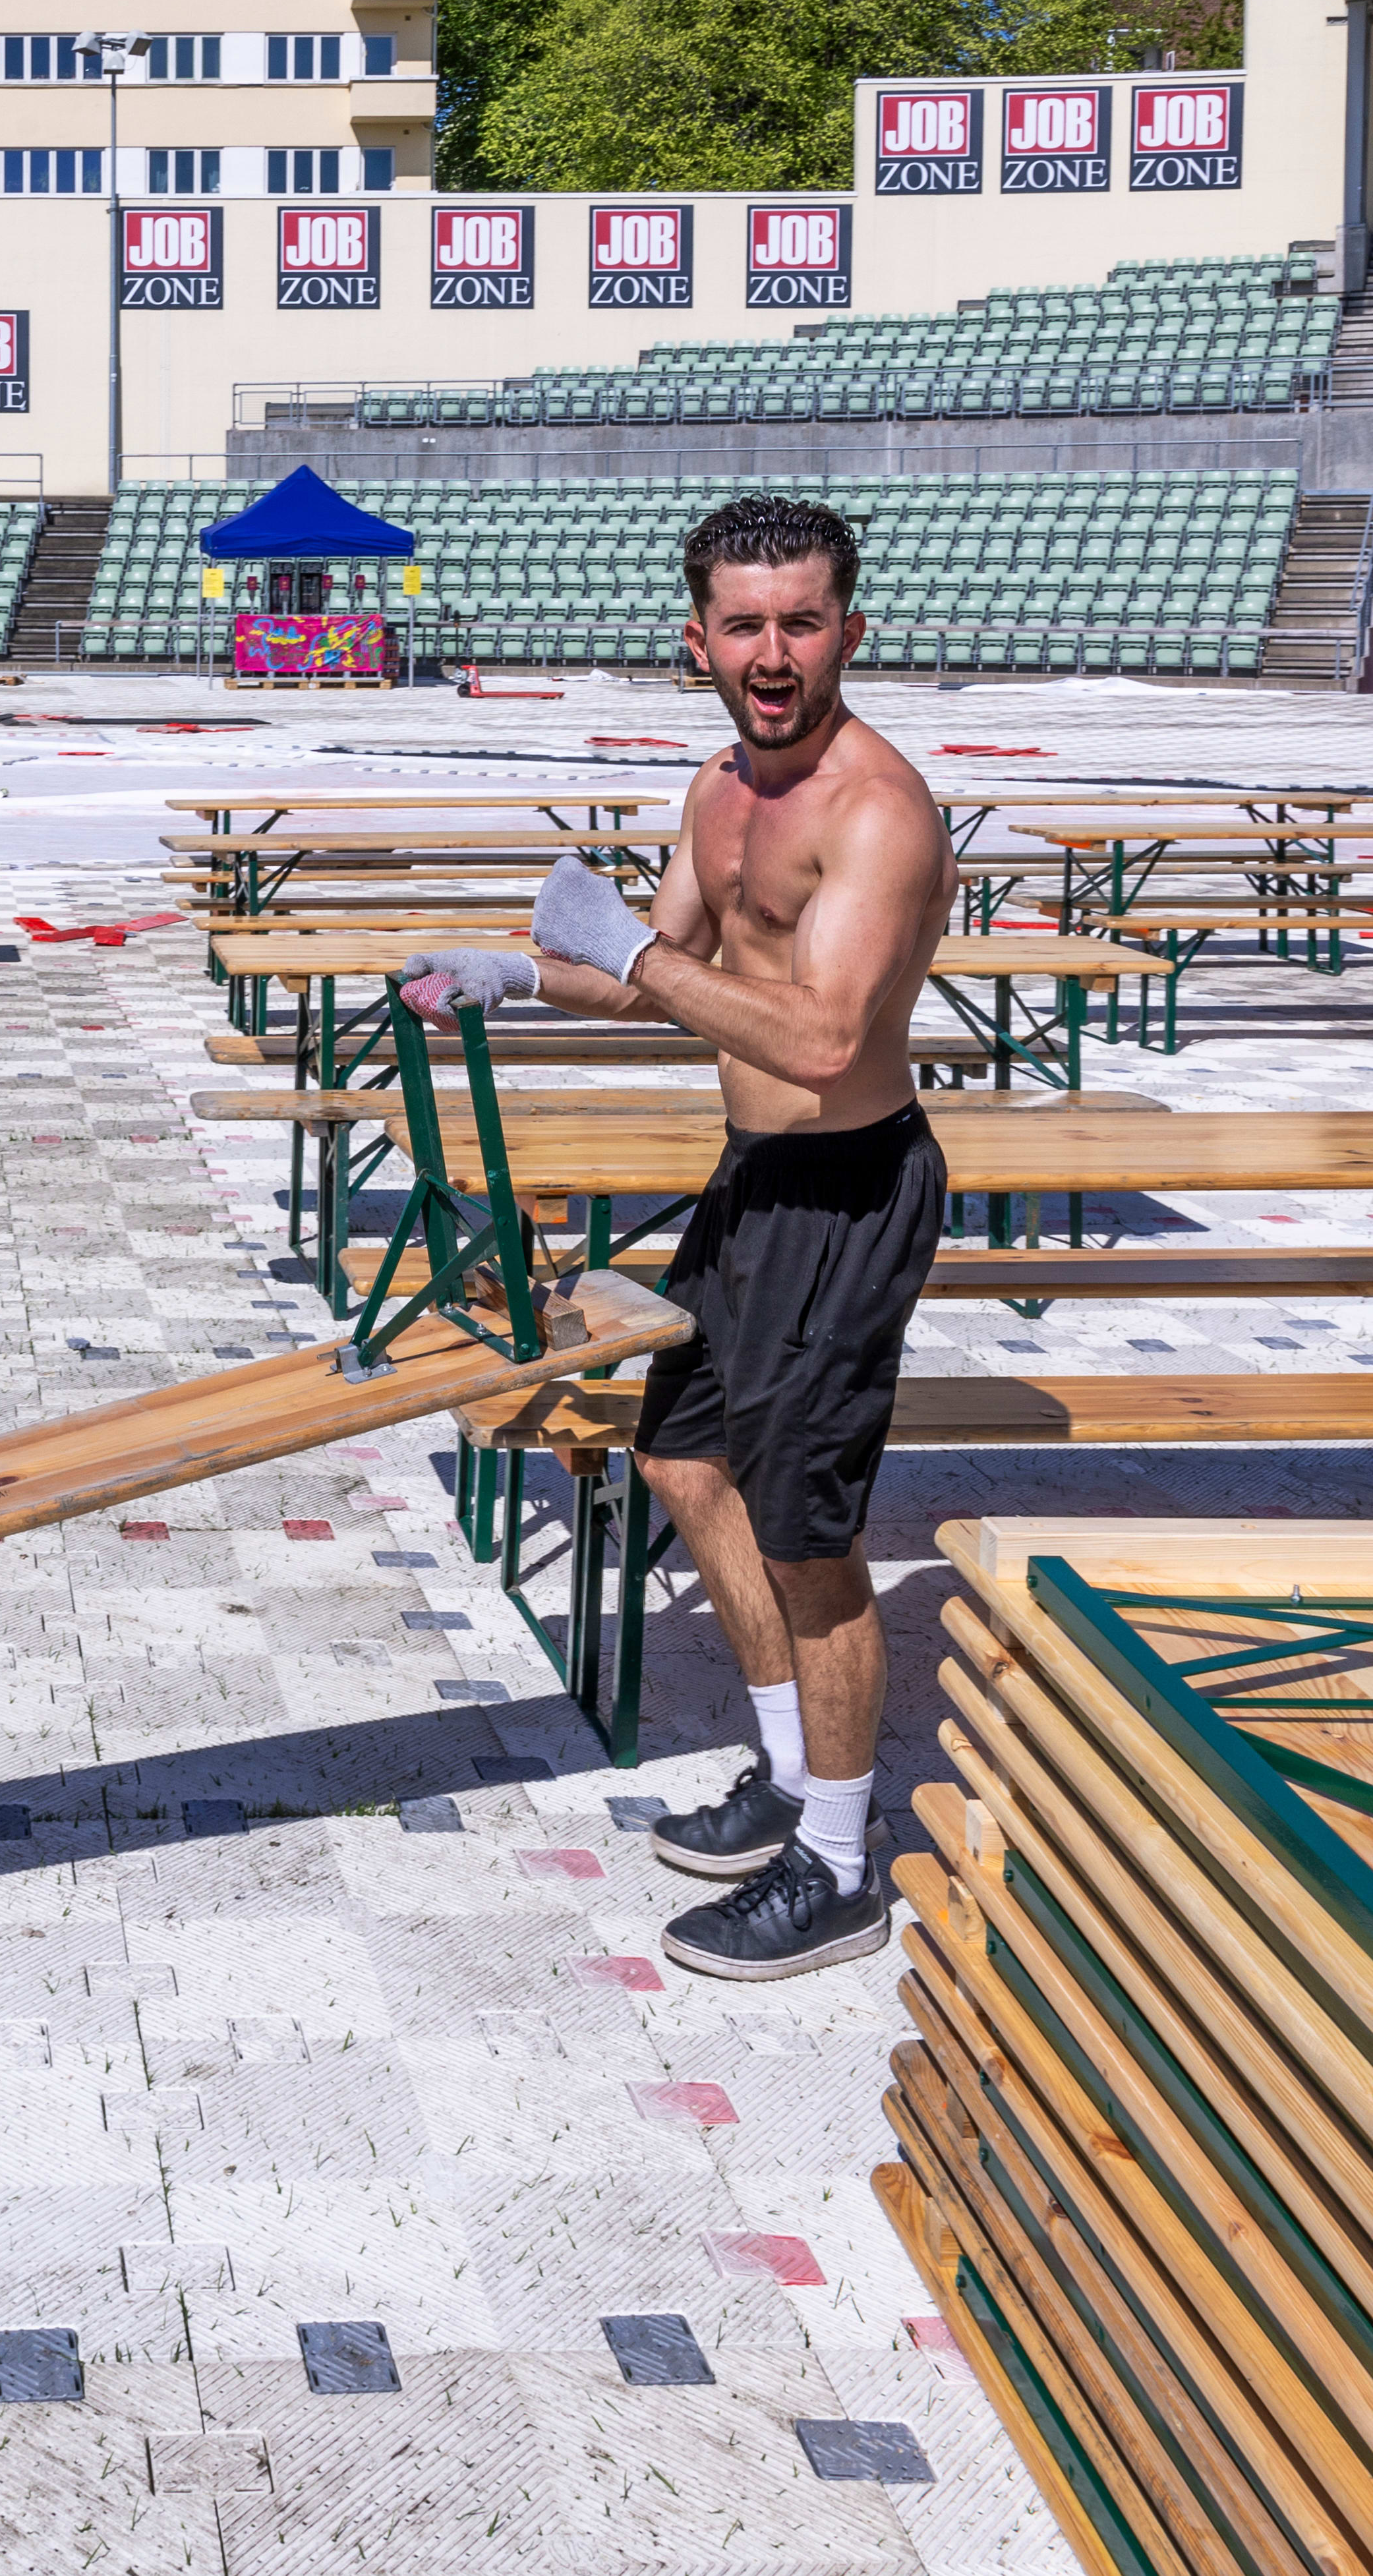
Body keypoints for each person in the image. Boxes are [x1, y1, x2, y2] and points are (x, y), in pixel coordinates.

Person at [401, 492, 954, 1983]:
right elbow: (659, 976)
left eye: (800, 620)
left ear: (849, 627)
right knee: (682, 1460)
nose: (770, 652)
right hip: (749, 1182)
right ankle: (787, 1769)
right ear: (695, 637)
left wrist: (627, 948)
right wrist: (516, 969)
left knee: (810, 1537)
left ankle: (837, 1868)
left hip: (846, 1190)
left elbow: (829, 1038)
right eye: (742, 624)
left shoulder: (877, 810)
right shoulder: (713, 790)